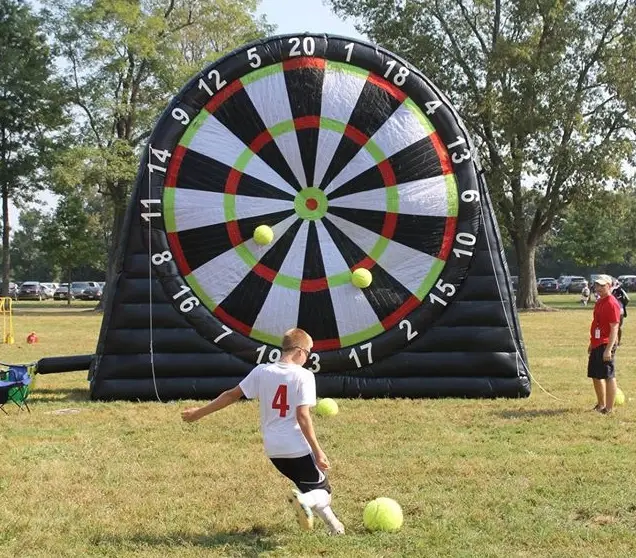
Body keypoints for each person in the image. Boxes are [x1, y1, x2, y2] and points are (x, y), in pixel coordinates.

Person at [181, 328, 345, 535]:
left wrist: (200, 412)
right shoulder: (303, 376)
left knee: (309, 486)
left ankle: (335, 528)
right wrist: (318, 450)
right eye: (309, 353)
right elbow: (303, 416)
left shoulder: (261, 371)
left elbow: (231, 395)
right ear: (300, 351)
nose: (309, 358)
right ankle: (304, 501)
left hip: (273, 448)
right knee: (323, 492)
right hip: (295, 446)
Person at [587, 275, 622, 414]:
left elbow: (614, 327)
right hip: (597, 342)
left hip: (606, 343)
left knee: (608, 376)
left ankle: (609, 408)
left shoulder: (612, 303)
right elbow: (597, 323)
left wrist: (608, 349)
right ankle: (600, 404)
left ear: (609, 286)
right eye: (597, 285)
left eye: (602, 285)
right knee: (595, 375)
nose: (599, 288)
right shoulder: (600, 301)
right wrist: (592, 342)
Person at [611, 279, 629, 345]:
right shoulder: (620, 290)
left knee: (614, 326)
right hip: (620, 311)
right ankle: (617, 341)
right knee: (618, 327)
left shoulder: (612, 290)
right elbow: (627, 299)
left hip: (617, 311)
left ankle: (616, 341)